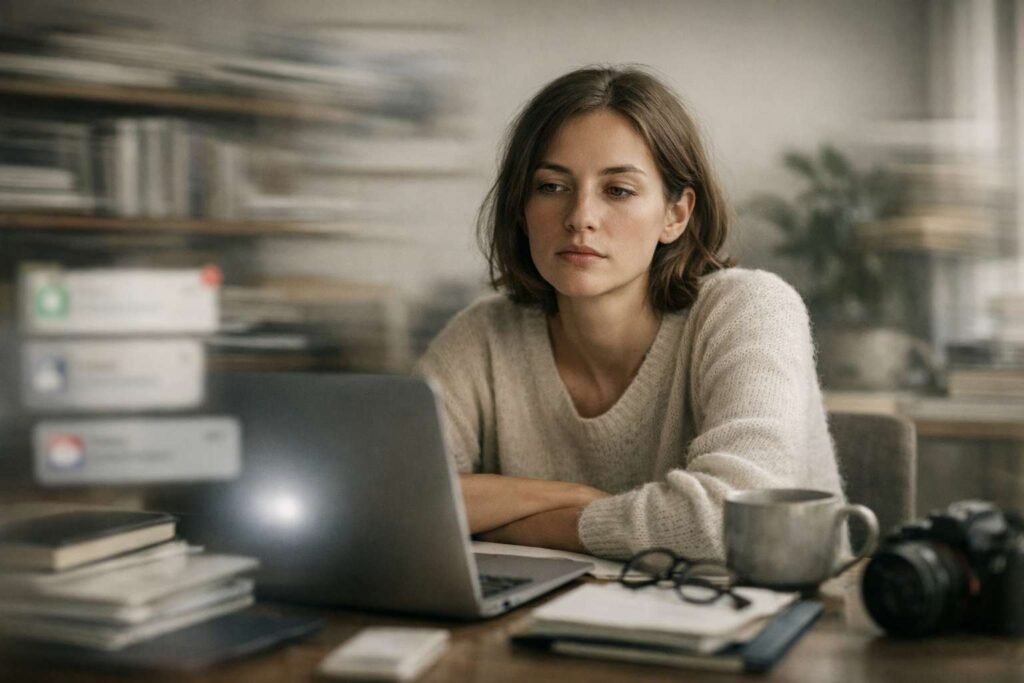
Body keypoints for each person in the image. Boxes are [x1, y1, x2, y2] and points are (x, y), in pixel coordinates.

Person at [416, 65, 844, 561]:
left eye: (617, 190)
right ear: (520, 208)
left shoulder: (749, 309)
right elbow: (392, 498)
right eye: (552, 187)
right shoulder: (483, 335)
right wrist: (568, 496)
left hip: (772, 624)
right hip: (548, 624)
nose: (580, 217)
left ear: (675, 214)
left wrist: (531, 527)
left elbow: (730, 517)